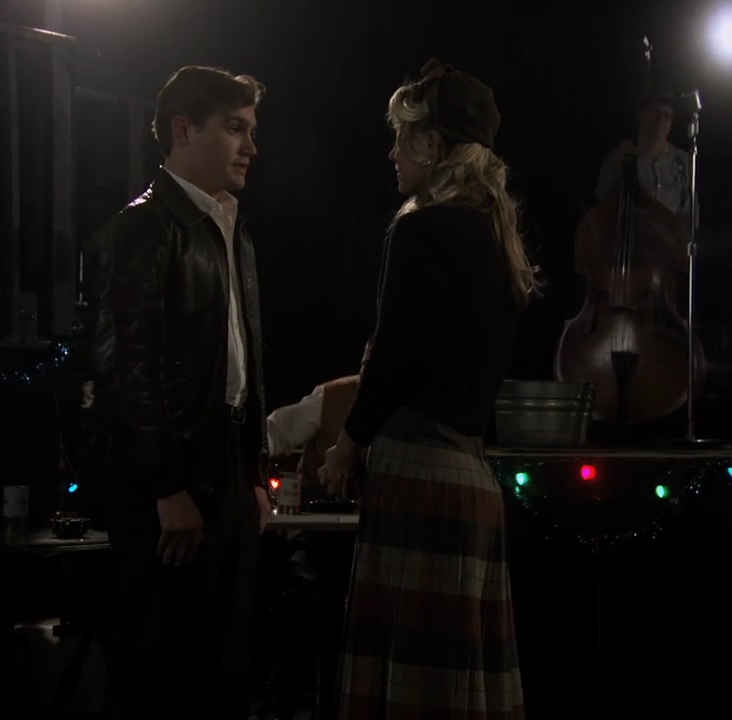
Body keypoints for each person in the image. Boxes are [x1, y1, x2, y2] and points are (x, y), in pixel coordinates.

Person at [318, 57, 531, 718]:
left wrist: (345, 446)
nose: (392, 153)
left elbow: (395, 358)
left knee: (411, 692)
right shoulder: (497, 236)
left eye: (402, 137)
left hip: (419, 474)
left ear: (432, 145)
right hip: (470, 477)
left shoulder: (422, 227)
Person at [80, 65, 272, 719]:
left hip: (225, 469)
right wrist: (167, 486)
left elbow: (244, 362)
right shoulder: (142, 228)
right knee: (159, 671)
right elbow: (126, 368)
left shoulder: (229, 227)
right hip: (170, 476)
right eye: (235, 128)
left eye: (251, 130)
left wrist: (253, 474)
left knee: (224, 671)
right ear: (184, 129)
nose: (250, 146)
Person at [593, 90, 692, 216]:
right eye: (656, 113)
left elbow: (689, 213)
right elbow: (601, 199)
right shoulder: (622, 155)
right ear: (641, 116)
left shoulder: (682, 161)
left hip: (669, 228)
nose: (661, 120)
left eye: (667, 116)